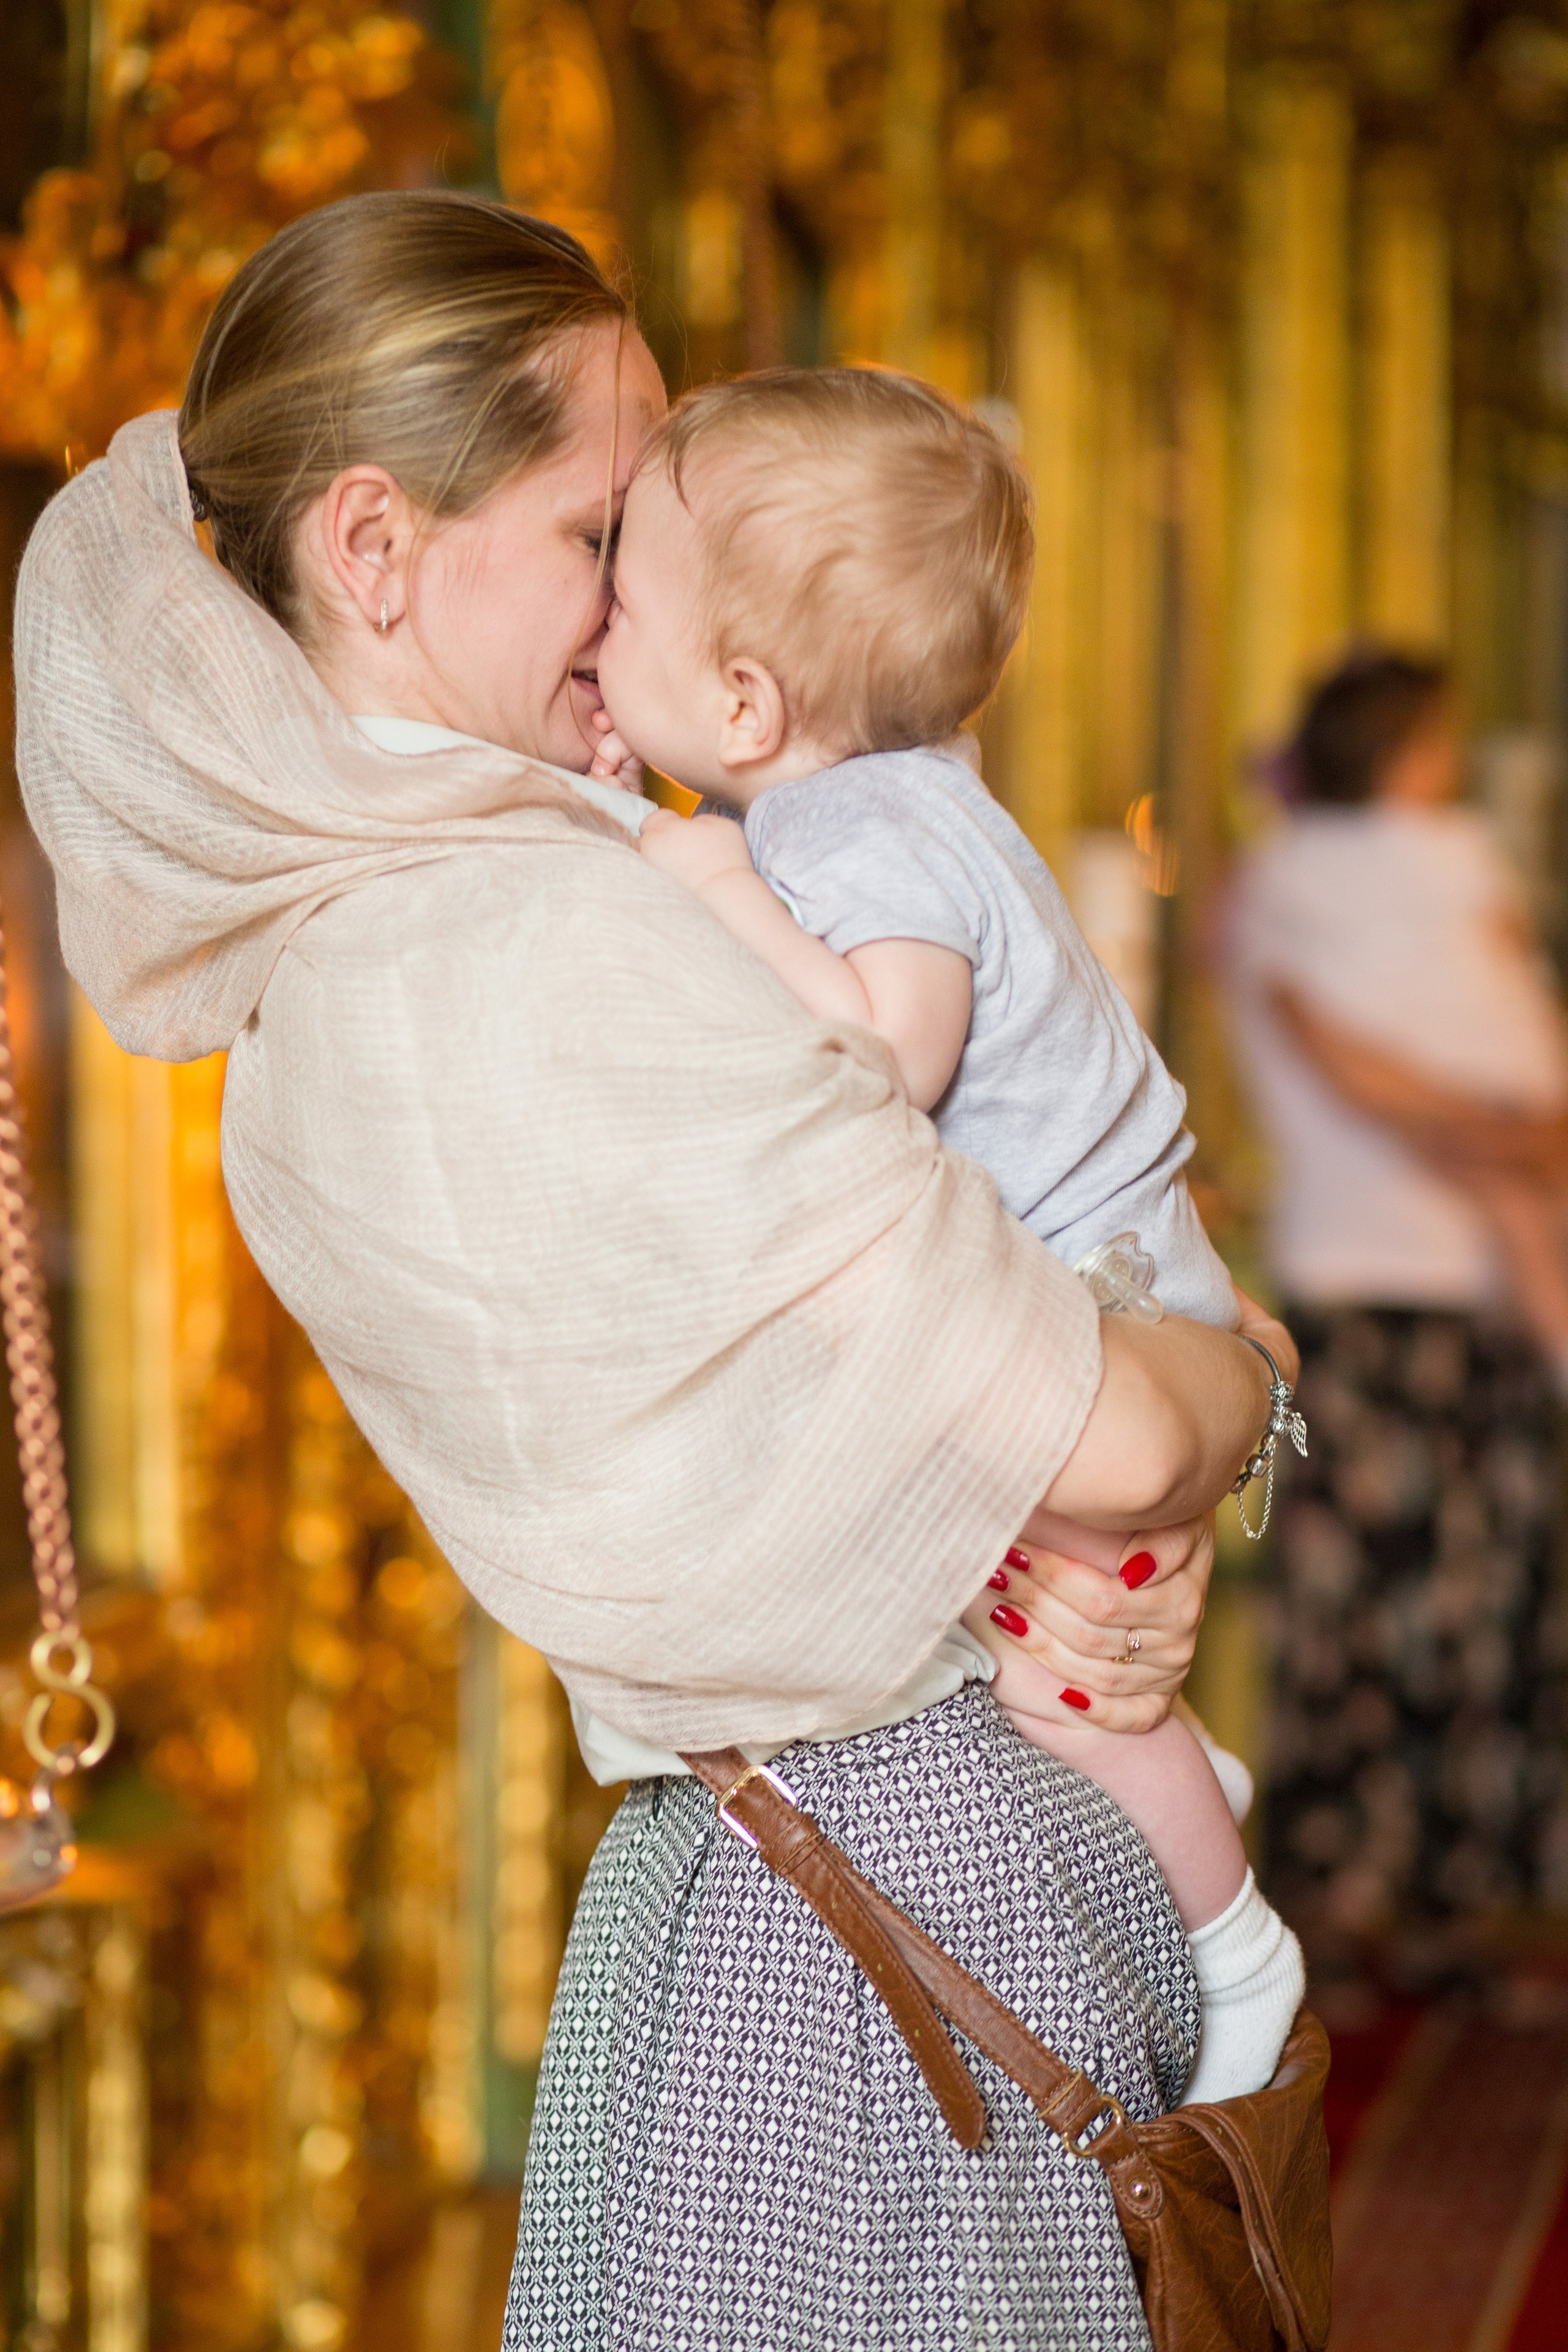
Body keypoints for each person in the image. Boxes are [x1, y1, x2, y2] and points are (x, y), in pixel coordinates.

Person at [15, 192, 1291, 2351]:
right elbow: (1127, 1433)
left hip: (814, 1885)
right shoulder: (534, 940)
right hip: (877, 1917)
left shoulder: (503, 899)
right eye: (600, 531)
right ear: (373, 549)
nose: (636, 621)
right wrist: (1240, 1357)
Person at [584, 364, 1303, 2101]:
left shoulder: (842, 833)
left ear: (745, 702)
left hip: (1096, 1294)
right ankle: (1193, 1792)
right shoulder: (890, 790)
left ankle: (1235, 1941)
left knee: (1074, 1689)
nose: (598, 640)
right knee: (1055, 1638)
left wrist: (717, 888)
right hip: (1115, 1280)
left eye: (619, 604)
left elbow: (886, 1060)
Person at [1231, 647, 1568, 1973]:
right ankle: (1452, 1901)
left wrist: (1468, 1130)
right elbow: (1495, 1078)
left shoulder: (1281, 888)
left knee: (1355, 1604)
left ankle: (1350, 1901)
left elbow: (1362, 1075)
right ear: (1407, 753)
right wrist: (1507, 1138)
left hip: (1361, 1293)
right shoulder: (1436, 876)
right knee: (1464, 1602)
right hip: (1446, 1295)